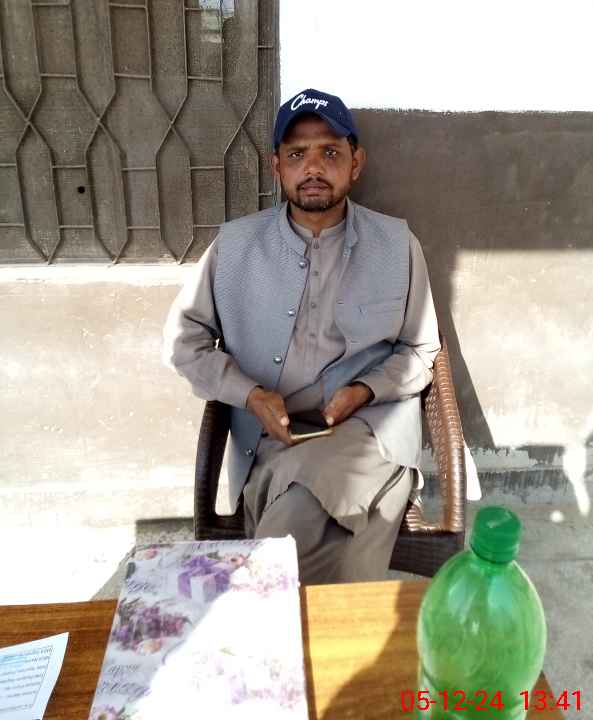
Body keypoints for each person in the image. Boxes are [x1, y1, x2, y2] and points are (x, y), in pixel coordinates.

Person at [162, 88, 441, 584]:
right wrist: (251, 395)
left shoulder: (397, 244)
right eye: (296, 155)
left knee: (292, 528)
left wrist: (364, 390)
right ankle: (328, 620)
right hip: (270, 438)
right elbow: (184, 340)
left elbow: (421, 350)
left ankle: (274, 609)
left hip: (367, 431)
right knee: (302, 518)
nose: (312, 167)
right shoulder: (235, 246)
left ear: (356, 163)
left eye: (329, 152)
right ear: (277, 168)